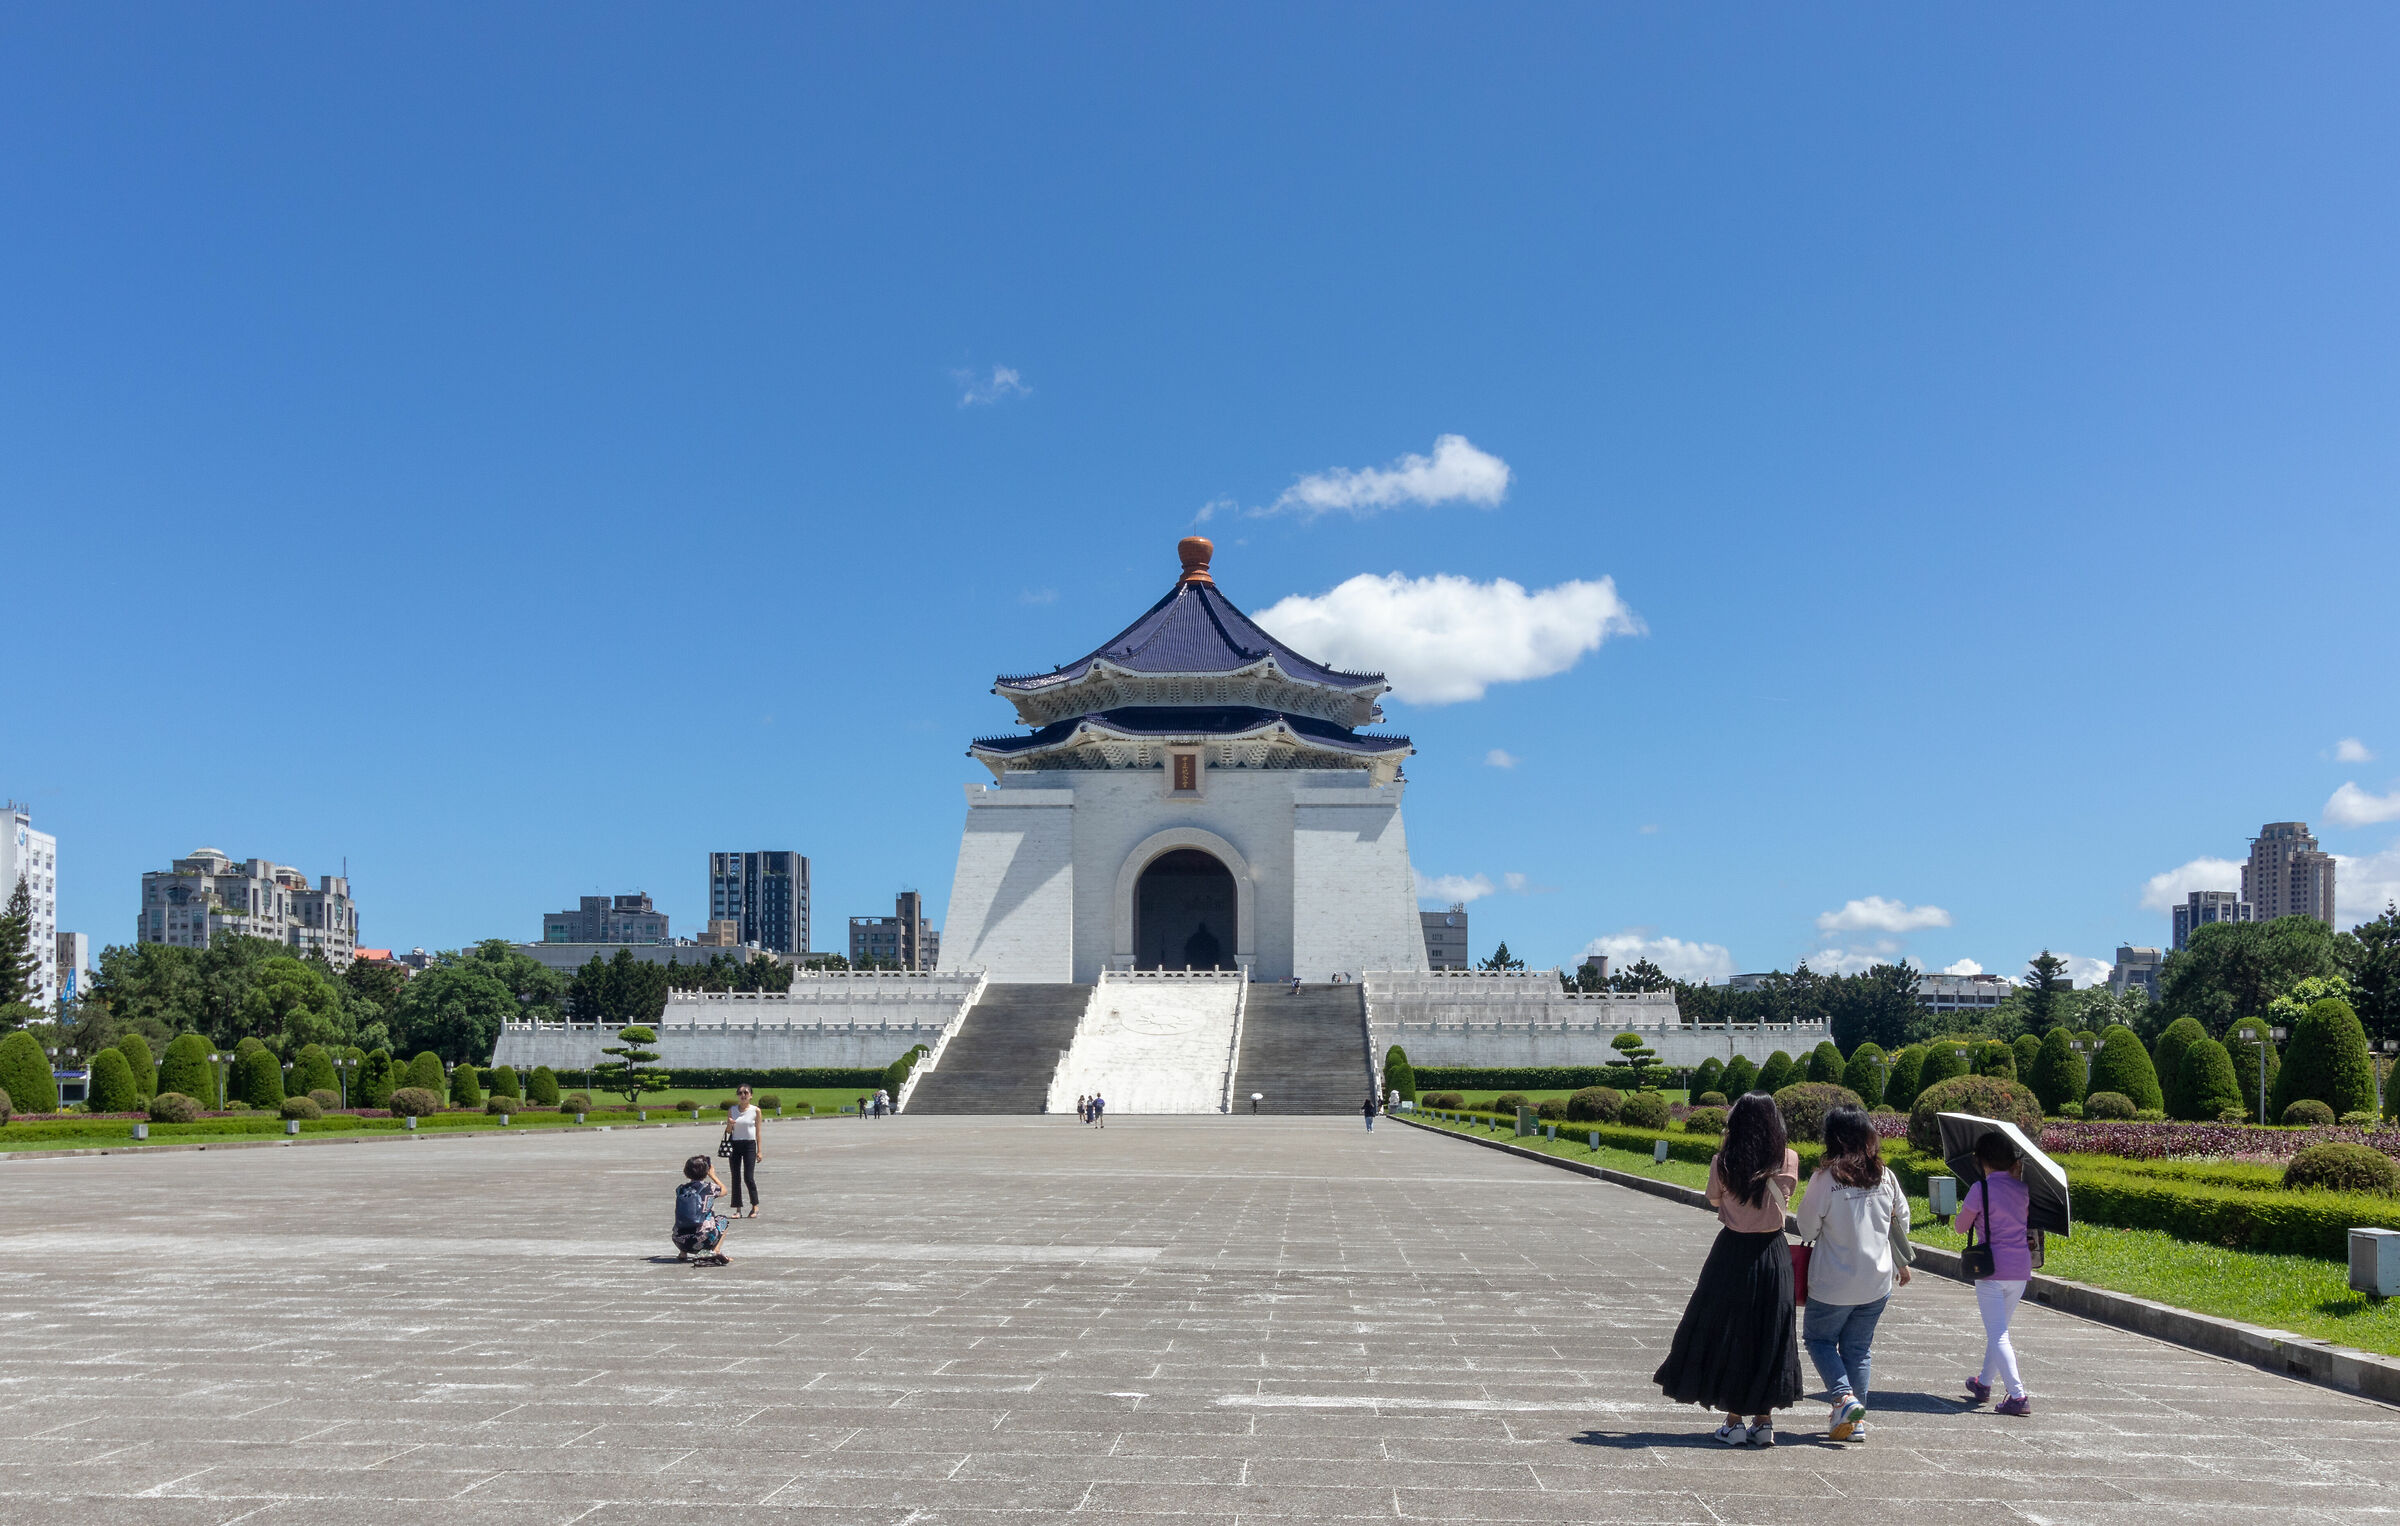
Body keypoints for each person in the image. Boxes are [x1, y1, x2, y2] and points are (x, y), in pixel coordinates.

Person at [1651, 1091, 1803, 1446]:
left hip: (1732, 1252)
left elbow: (1714, 1198)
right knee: (1771, 1333)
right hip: (1773, 1253)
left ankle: (1733, 1420)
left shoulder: (1724, 1162)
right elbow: (1787, 1196)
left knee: (1730, 1332)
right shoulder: (1788, 1159)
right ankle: (1763, 1421)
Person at [1792, 1105, 1914, 1442]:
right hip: (1877, 1281)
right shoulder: (1885, 1176)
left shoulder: (1825, 1179)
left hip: (1833, 1282)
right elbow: (1901, 1219)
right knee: (1858, 1349)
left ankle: (1844, 1398)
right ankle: (1854, 1421)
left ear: (1833, 1138)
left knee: (1818, 1340)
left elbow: (1807, 1227)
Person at [1958, 1130, 2035, 1416]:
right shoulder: (2022, 1188)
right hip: (2020, 1270)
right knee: (1998, 1329)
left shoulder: (1981, 1189)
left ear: (1982, 1161)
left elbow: (1960, 1227)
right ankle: (1984, 1383)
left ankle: (2018, 1395)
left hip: (1991, 1269)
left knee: (1998, 1332)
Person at [672, 1155, 729, 1265]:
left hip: (679, 1240)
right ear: (706, 1171)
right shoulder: (710, 1187)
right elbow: (724, 1191)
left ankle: (682, 1253)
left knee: (685, 1218)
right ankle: (715, 1250)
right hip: (704, 1240)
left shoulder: (680, 1189)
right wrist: (713, 1176)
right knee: (723, 1220)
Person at [721, 1084, 763, 1219]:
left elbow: (758, 1132)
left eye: (746, 1093)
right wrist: (729, 1124)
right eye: (740, 1093)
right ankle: (738, 1209)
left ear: (751, 1095)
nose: (743, 1095)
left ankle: (755, 1205)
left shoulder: (755, 1110)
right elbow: (728, 1132)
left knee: (748, 1177)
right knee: (735, 1177)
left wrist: (759, 1150)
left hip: (749, 1145)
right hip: (735, 1144)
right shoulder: (732, 1110)